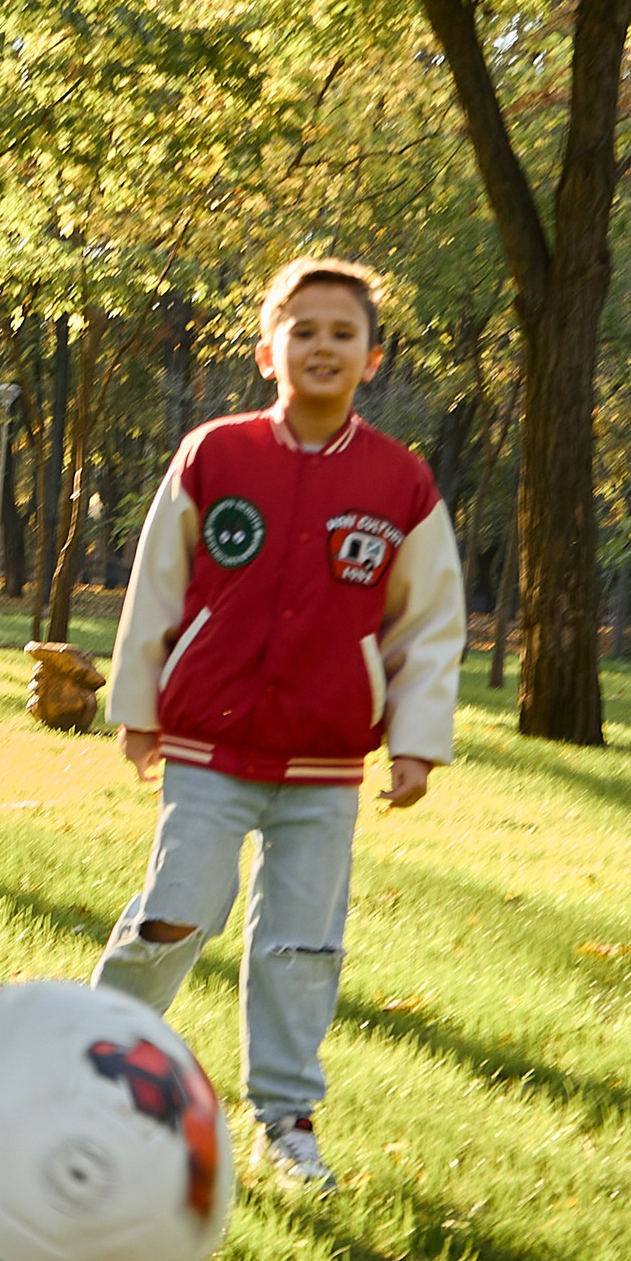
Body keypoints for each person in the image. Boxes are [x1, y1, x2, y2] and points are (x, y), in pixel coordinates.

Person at [91, 257, 463, 1194]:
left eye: (343, 333)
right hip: (209, 746)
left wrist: (416, 741)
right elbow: (157, 590)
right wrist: (138, 708)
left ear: (372, 359)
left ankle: (285, 1122)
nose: (323, 346)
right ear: (269, 351)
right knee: (176, 913)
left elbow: (428, 622)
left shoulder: (400, 483)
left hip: (325, 760)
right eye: (304, 330)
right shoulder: (215, 456)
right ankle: (98, 1068)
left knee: (302, 944)